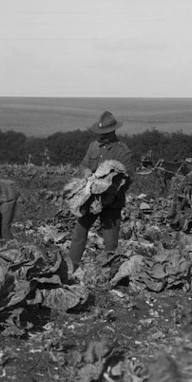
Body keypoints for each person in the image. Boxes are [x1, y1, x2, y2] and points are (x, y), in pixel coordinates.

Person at [68, 111, 136, 269]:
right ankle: (72, 266)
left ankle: (109, 272)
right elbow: (84, 164)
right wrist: (86, 172)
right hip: (90, 199)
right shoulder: (94, 146)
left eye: (104, 134)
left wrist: (109, 191)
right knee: (79, 232)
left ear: (112, 132)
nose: (100, 136)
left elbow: (128, 178)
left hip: (111, 202)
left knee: (110, 240)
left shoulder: (122, 151)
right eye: (99, 133)